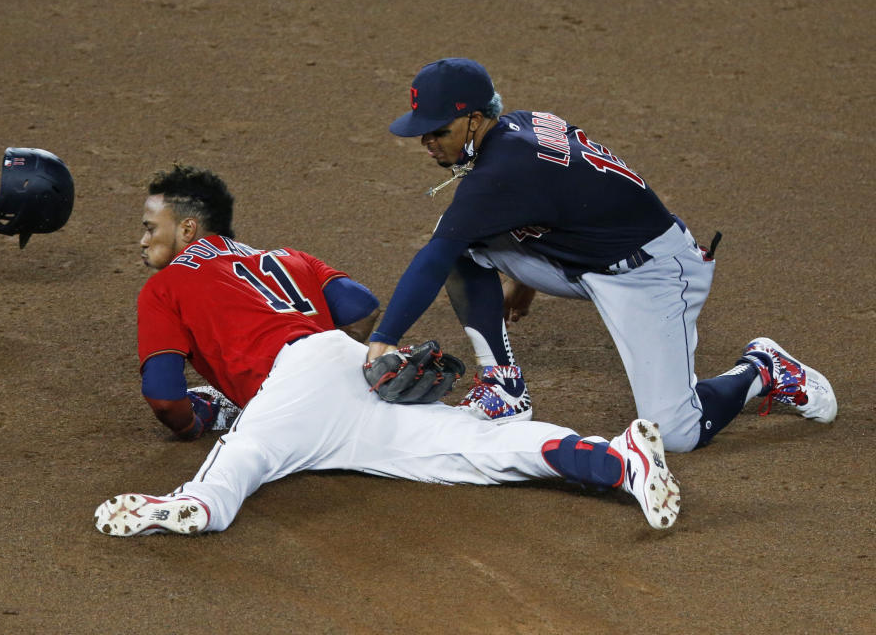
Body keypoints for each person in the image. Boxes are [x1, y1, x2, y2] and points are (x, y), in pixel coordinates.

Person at [93, 163, 681, 536]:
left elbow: (164, 396)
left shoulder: (164, 286)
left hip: (293, 383)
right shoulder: (286, 257)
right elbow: (359, 307)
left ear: (189, 230)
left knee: (242, 458)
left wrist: (194, 415)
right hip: (351, 368)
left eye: (151, 226)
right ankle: (617, 460)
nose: (143, 239)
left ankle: (195, 504)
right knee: (472, 446)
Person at [368, 57, 837, 452]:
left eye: (437, 132)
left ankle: (764, 368)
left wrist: (384, 339)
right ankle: (503, 386)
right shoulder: (519, 127)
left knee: (677, 433)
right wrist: (525, 281)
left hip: (653, 273)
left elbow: (434, 257)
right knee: (461, 243)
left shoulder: (503, 170)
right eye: (421, 134)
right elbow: (562, 203)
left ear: (473, 119)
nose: (427, 143)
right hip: (584, 259)